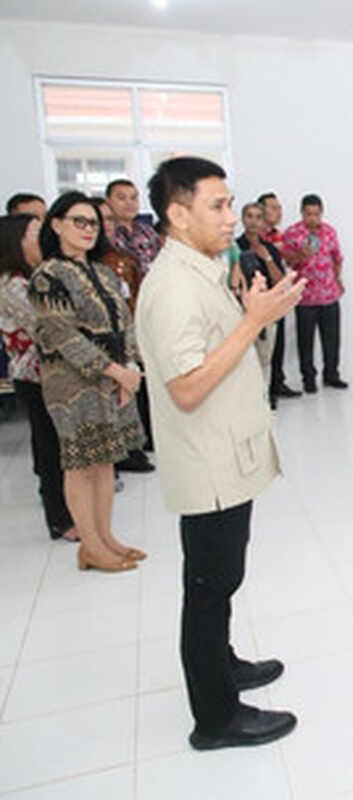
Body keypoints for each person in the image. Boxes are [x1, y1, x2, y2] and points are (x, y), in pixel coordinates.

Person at [136, 156, 306, 750]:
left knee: (223, 578)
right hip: (206, 460)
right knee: (208, 589)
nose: (232, 217)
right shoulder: (173, 287)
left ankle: (224, 665)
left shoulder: (203, 268)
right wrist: (252, 321)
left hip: (225, 455)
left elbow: (223, 353)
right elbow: (187, 388)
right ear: (177, 214)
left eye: (232, 204)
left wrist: (260, 313)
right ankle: (215, 718)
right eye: (218, 206)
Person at [29, 192, 146, 571]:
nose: (88, 230)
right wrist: (116, 372)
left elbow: (125, 321)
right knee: (81, 464)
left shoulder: (106, 272)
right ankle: (90, 544)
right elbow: (63, 336)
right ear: (57, 225)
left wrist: (128, 367)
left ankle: (105, 538)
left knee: (105, 460)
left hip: (113, 378)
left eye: (93, 223)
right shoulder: (48, 275)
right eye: (78, 221)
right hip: (73, 383)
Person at [0, 213, 75, 540]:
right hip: (35, 374)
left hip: (54, 371)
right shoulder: (11, 284)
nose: (41, 239)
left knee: (60, 443)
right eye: (34, 233)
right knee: (49, 446)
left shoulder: (36, 276)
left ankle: (71, 509)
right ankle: (59, 518)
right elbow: (45, 326)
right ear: (15, 241)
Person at [93, 198, 156, 475]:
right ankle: (113, 457)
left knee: (133, 391)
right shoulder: (79, 265)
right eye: (99, 219)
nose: (104, 226)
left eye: (107, 220)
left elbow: (136, 292)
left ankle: (134, 448)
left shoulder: (123, 258)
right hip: (96, 347)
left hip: (130, 330)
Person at [281, 194, 346, 392]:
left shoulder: (329, 232)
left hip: (329, 295)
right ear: (302, 213)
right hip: (306, 298)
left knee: (332, 339)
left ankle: (331, 375)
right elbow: (287, 261)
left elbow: (337, 258)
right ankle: (308, 379)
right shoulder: (292, 233)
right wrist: (302, 255)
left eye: (316, 214)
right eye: (308, 214)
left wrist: (338, 279)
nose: (312, 218)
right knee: (305, 341)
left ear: (321, 213)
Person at [236, 202, 294, 407]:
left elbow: (280, 281)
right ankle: (247, 400)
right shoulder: (235, 246)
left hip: (268, 310)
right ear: (243, 219)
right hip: (242, 311)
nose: (253, 222)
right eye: (249, 216)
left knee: (266, 357)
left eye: (258, 217)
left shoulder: (269, 248)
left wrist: (267, 258)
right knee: (242, 359)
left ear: (263, 221)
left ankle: (266, 395)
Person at [105, 179, 161, 275]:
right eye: (121, 198)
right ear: (108, 201)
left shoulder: (147, 231)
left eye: (134, 198)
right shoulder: (107, 232)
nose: (129, 203)